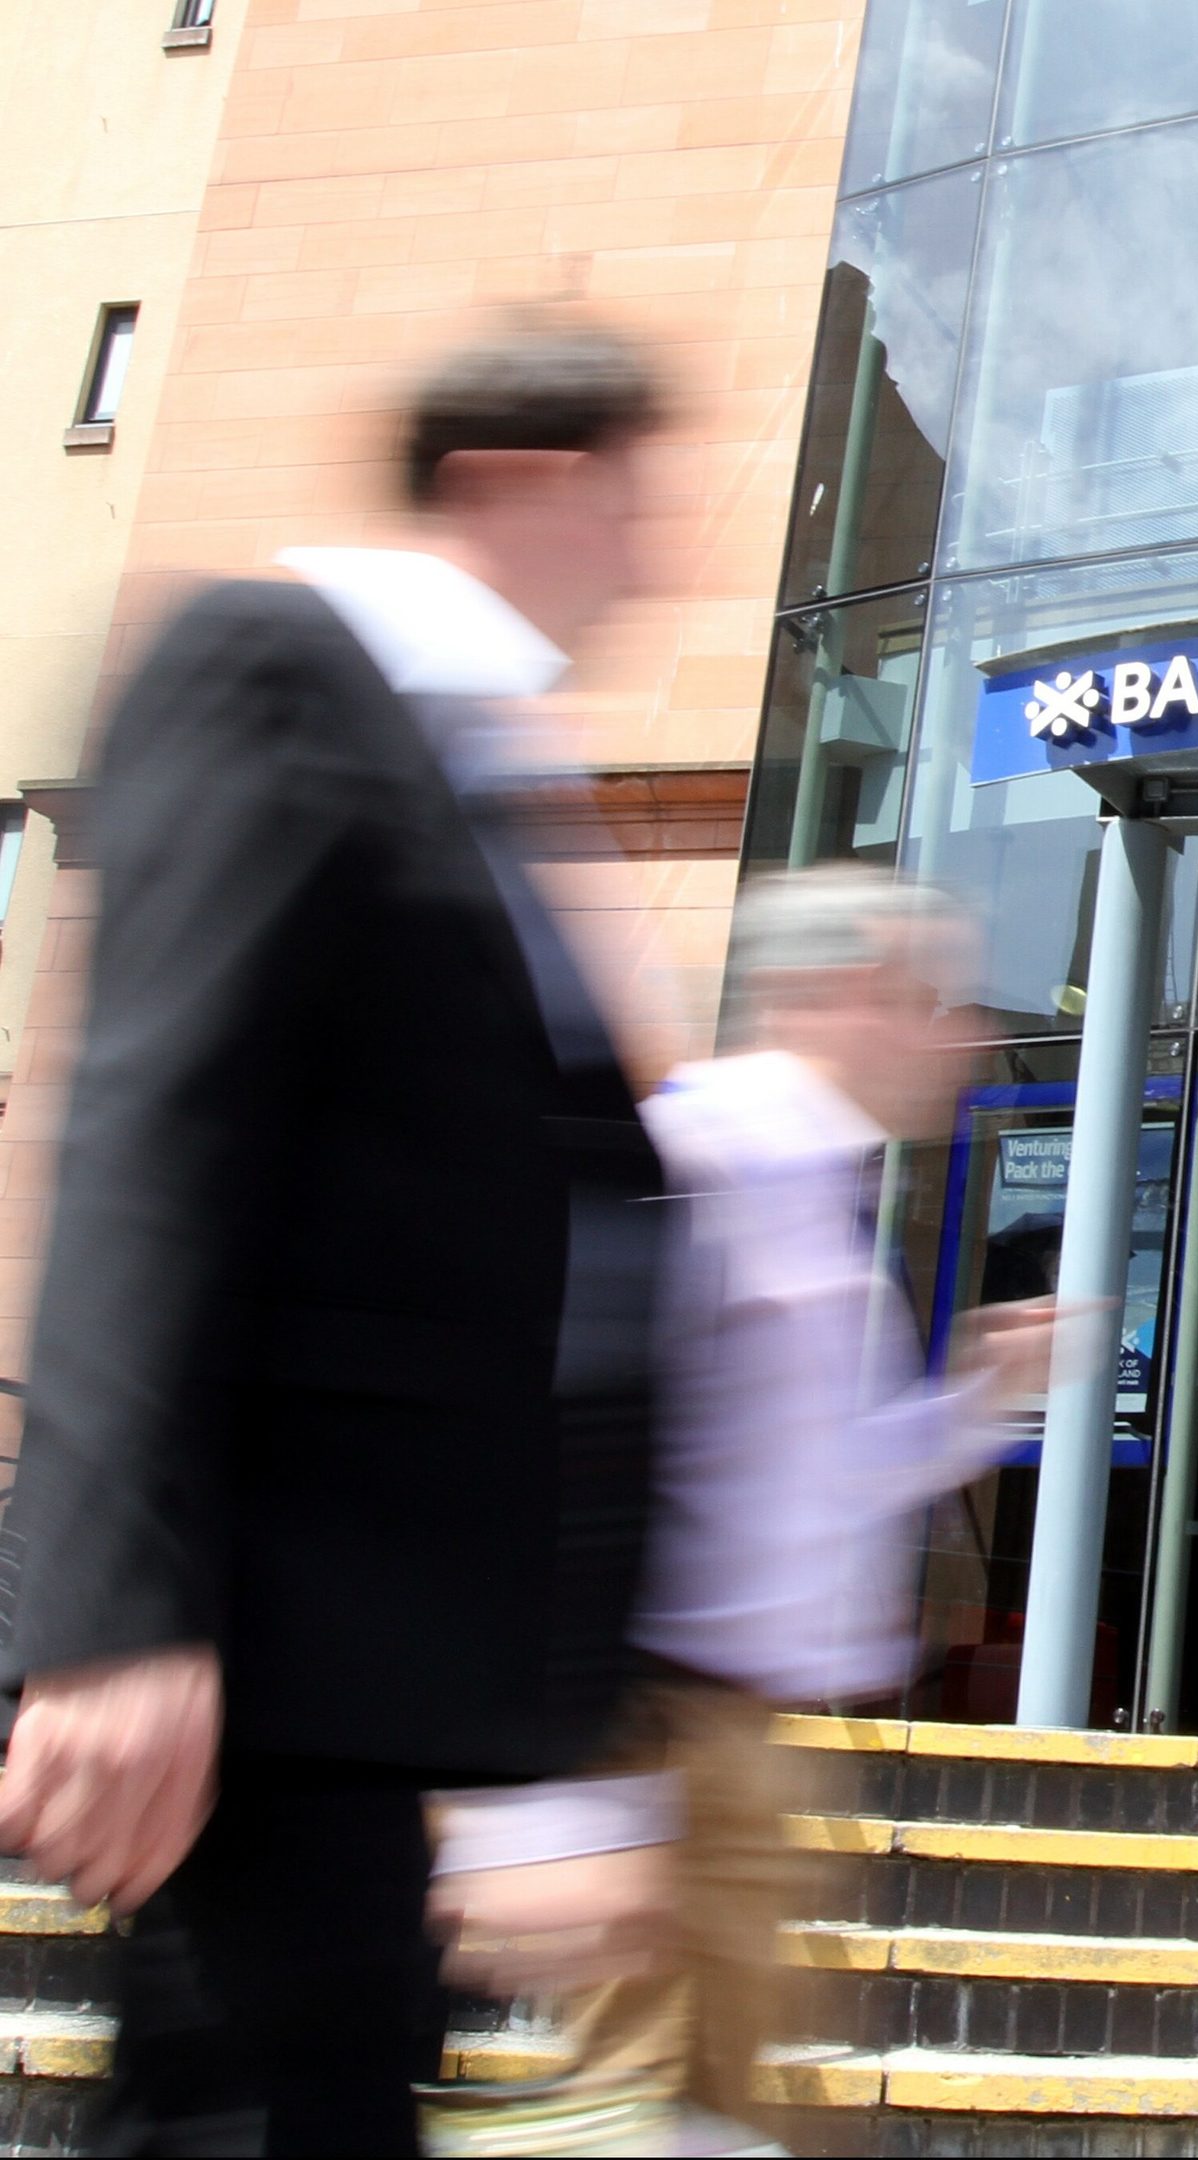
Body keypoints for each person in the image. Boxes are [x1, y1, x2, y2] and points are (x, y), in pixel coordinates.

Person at [0, 320, 675, 2153]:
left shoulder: (480, 772)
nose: (659, 553)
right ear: (518, 481)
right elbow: (157, 1119)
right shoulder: (274, 669)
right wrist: (114, 1619)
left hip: (387, 1691)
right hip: (257, 1667)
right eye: (635, 500)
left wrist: (558, 1756)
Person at [569, 865, 1057, 2147]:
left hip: (728, 1741)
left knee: (692, 2107)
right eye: (927, 998)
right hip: (647, 1732)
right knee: (651, 2115)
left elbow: (825, 1474)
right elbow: (572, 1454)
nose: (968, 1036)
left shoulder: (821, 1195)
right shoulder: (700, 1159)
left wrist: (981, 1396)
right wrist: (562, 1801)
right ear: (831, 997)